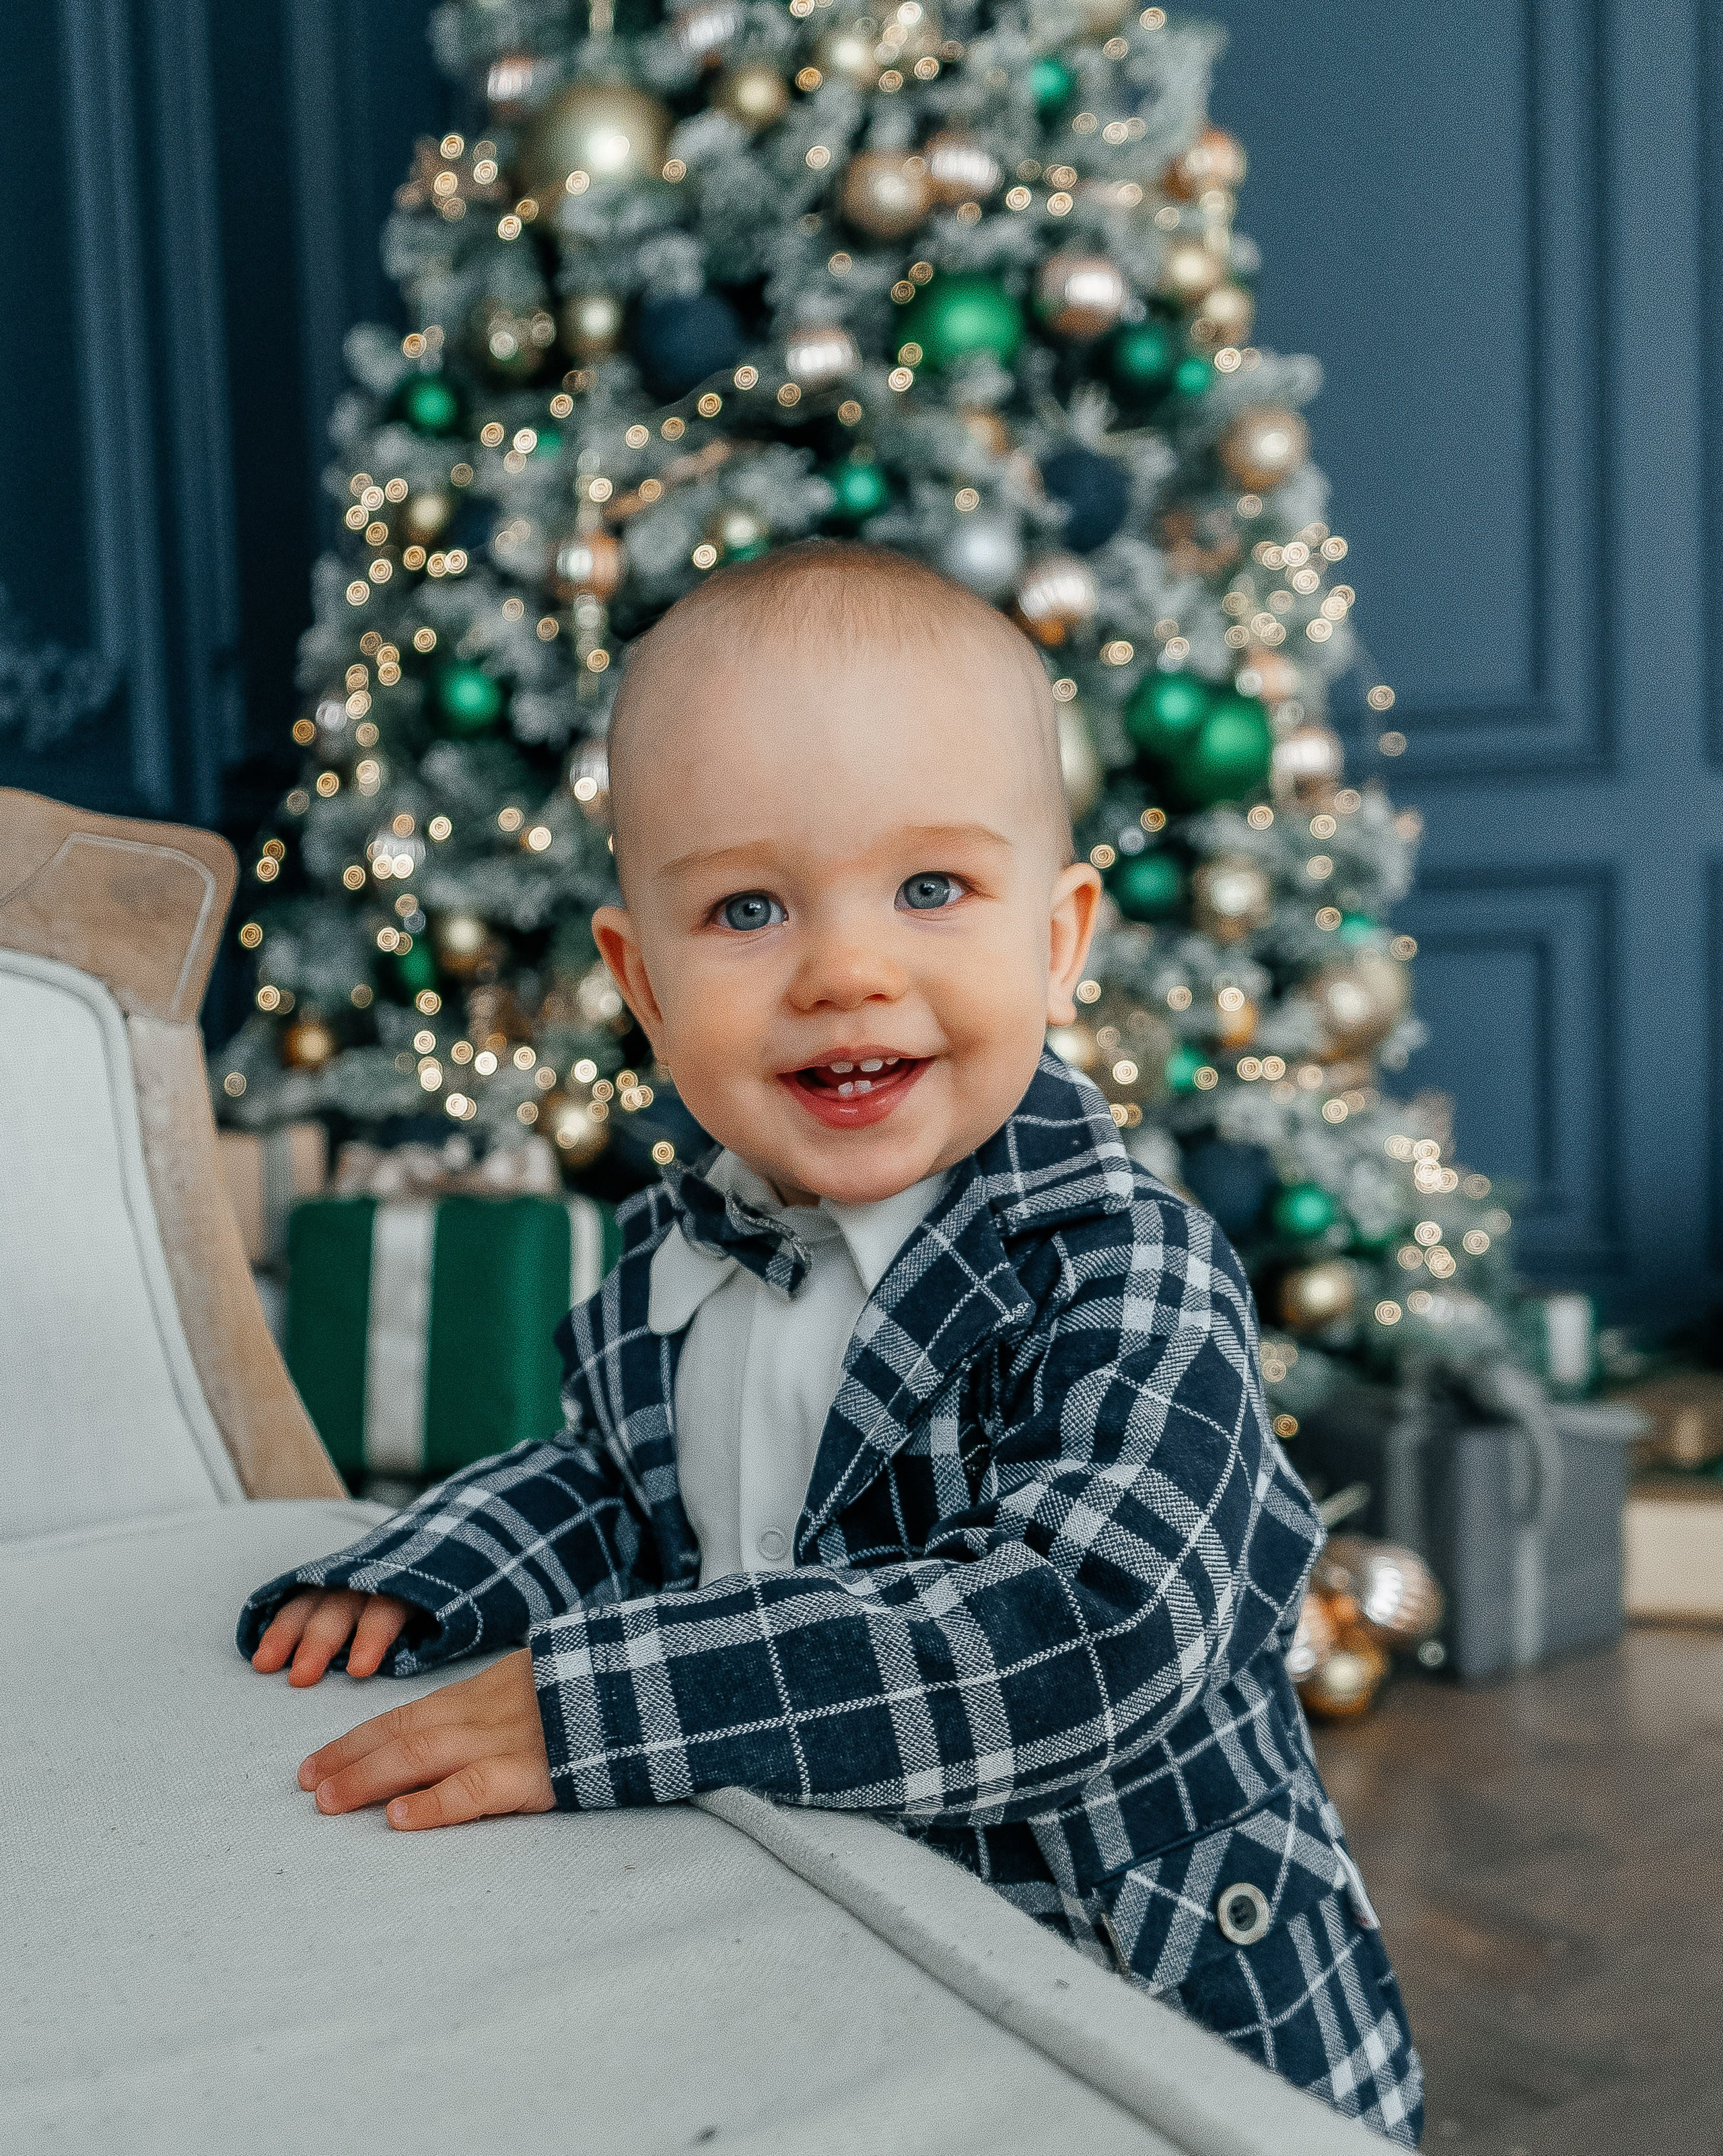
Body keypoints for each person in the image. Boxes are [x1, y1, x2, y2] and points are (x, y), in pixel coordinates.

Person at [239, 541, 1421, 2145]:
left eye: (930, 888)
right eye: (745, 907)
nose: (844, 969)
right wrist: (430, 1570)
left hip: (1147, 2017)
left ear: (1059, 937)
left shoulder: (1119, 1271)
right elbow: (614, 1484)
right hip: (837, 1969)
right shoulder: (675, 1252)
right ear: (639, 984)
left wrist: (604, 1706)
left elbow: (1088, 1635)